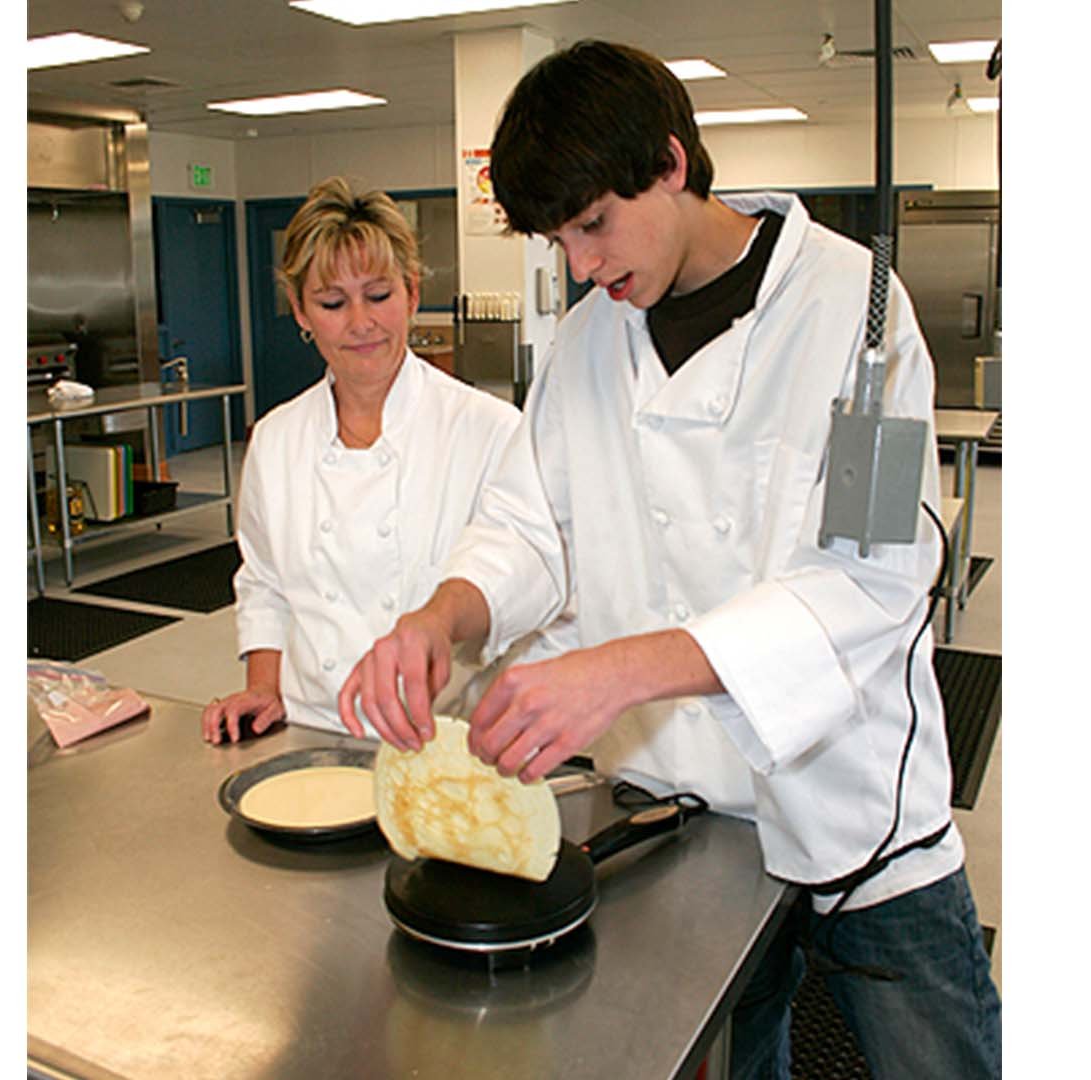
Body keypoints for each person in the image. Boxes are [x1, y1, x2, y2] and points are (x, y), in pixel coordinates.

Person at [336, 41, 1000, 1079]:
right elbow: (526, 525)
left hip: (851, 807)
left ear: (675, 163)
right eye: (565, 241)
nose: (587, 267)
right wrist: (441, 618)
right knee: (729, 1060)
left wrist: (622, 668)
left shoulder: (855, 314)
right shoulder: (590, 341)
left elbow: (872, 577)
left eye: (596, 225)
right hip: (682, 814)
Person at [202, 177, 522, 744]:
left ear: (413, 293)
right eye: (331, 303)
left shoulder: (488, 431)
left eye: (379, 296)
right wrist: (263, 688)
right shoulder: (277, 440)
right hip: (312, 732)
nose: (361, 323)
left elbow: (521, 591)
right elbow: (265, 583)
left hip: (448, 740)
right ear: (299, 310)